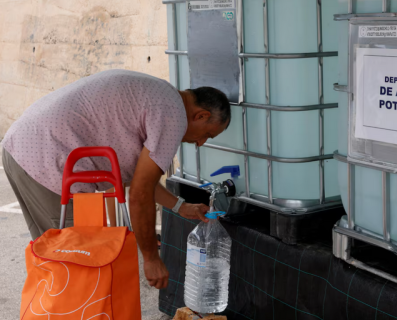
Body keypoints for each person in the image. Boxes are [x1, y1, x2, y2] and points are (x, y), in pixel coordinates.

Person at [1, 69, 231, 289]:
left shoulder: (161, 95)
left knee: (54, 261)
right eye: (208, 134)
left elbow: (143, 180)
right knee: (75, 266)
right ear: (201, 115)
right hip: (48, 160)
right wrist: (151, 258)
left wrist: (181, 207)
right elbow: (140, 194)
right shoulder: (174, 116)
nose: (201, 143)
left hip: (22, 147)